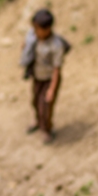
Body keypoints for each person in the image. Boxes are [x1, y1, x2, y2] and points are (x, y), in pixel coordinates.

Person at [21, 9, 66, 144]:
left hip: (49, 80)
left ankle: (47, 129)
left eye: (37, 29)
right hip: (38, 78)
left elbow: (56, 70)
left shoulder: (56, 46)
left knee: (45, 107)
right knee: (35, 102)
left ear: (47, 29)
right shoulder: (35, 38)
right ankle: (38, 122)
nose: (35, 32)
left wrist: (52, 89)